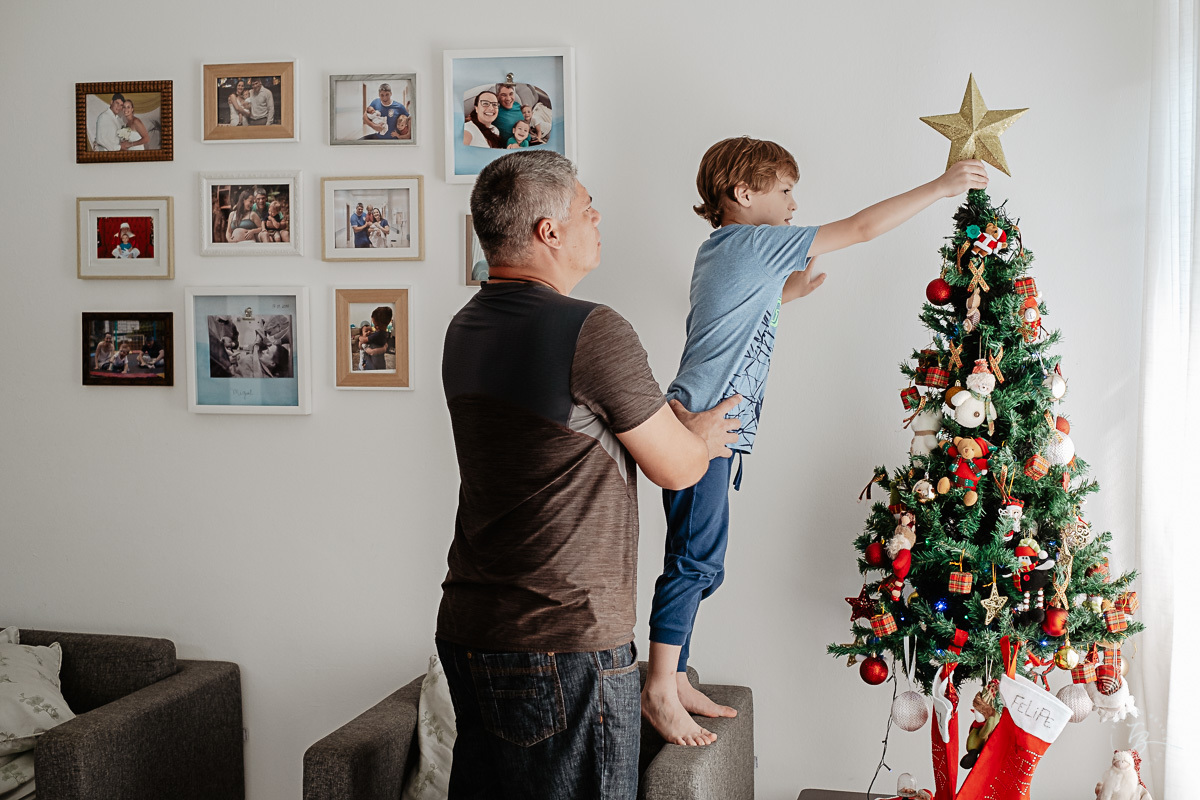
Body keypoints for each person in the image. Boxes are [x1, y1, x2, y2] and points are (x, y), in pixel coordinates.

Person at [640, 136, 990, 747]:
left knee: (702, 561)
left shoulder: (722, 250)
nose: (794, 203)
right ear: (742, 195)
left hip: (710, 427)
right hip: (703, 429)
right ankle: (659, 687)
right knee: (693, 561)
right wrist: (939, 187)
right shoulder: (752, 241)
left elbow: (731, 314)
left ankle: (674, 674)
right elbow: (858, 229)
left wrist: (786, 294)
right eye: (784, 190)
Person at [438, 149, 741, 800]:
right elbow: (679, 469)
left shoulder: (465, 328)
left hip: (469, 628)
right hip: (563, 640)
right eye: (585, 207)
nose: (596, 216)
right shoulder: (591, 330)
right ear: (548, 230)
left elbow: (566, 438)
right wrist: (705, 436)